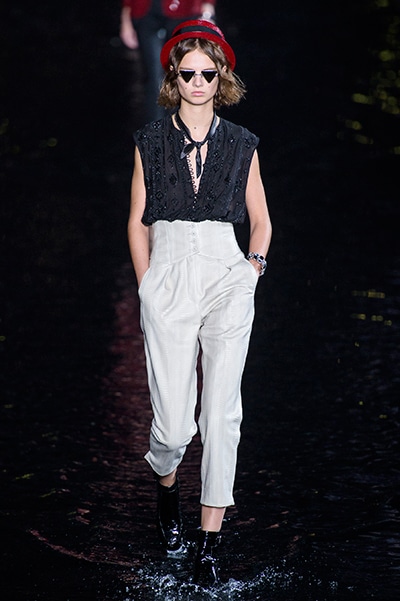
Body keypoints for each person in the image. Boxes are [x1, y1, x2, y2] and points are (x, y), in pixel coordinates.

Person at [127, 19, 272, 585]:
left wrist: (252, 270)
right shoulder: (149, 140)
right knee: (172, 429)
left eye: (207, 74)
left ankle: (210, 542)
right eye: (187, 73)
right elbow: (137, 222)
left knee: (222, 413)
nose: (197, 82)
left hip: (227, 274)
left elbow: (261, 221)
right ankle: (167, 490)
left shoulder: (242, 143)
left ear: (221, 78)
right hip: (168, 275)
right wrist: (147, 285)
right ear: (174, 77)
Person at [120, 1, 216, 121]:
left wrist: (207, 9)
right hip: (146, 13)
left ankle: (181, 125)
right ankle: (156, 127)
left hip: (183, 11)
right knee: (154, 76)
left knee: (181, 73)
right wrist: (126, 17)